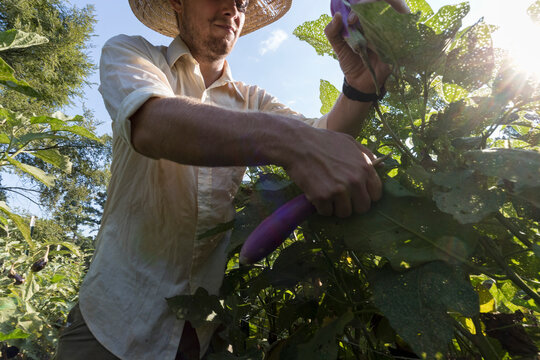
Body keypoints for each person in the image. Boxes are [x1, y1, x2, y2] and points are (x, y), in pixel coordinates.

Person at [54, 0, 409, 359]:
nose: (233, 9)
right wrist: (293, 142)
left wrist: (360, 85)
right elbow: (152, 122)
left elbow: (326, 138)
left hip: (202, 334)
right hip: (111, 325)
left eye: (242, 1)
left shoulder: (252, 100)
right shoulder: (132, 53)